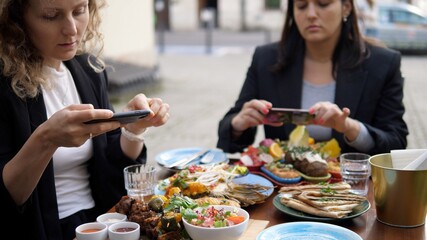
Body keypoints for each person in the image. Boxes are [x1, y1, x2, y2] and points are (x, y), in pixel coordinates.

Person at [0, 0, 170, 239]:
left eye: (80, 11)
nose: (72, 29)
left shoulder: (88, 70)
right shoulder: (5, 86)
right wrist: (46, 140)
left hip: (99, 223)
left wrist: (133, 130)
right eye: (51, 15)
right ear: (16, 19)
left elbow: (109, 172)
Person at [217, 0, 408, 156]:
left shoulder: (382, 63)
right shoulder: (266, 59)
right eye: (301, 5)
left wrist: (350, 127)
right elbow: (229, 136)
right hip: (281, 188)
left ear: (346, 7)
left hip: (352, 192)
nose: (310, 14)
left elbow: (396, 143)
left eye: (323, 4)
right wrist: (238, 124)